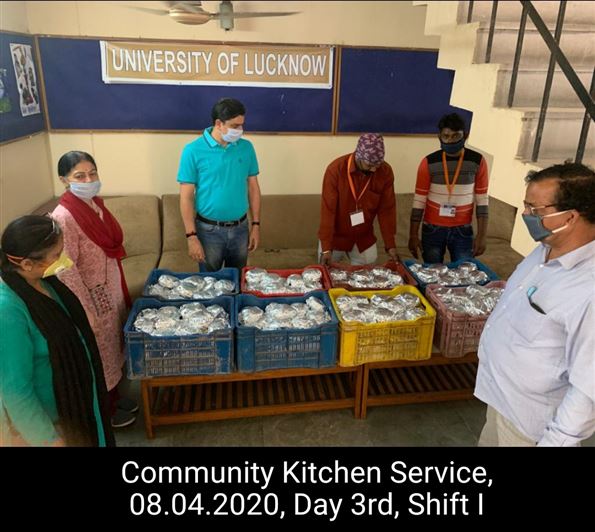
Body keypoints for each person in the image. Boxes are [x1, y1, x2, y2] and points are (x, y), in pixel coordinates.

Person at [475, 162, 595, 446]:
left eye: (534, 210)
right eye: (525, 206)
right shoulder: (545, 249)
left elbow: (587, 389)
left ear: (571, 216)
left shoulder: (587, 290)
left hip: (531, 428)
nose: (526, 215)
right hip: (501, 401)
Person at [0, 215, 115, 446]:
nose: (64, 260)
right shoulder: (8, 310)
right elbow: (15, 389)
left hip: (80, 402)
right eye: (56, 255)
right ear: (26, 263)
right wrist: (48, 439)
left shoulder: (45, 282)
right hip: (54, 421)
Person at [51, 151, 138, 428]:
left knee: (112, 346)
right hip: (89, 295)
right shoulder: (64, 216)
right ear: (64, 180)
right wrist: (84, 308)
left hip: (109, 287)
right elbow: (65, 267)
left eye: (93, 173)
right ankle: (105, 412)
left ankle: (115, 398)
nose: (89, 180)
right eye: (80, 176)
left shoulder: (95, 204)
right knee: (98, 353)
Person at [177, 97, 261, 272]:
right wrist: (191, 237)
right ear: (218, 123)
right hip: (208, 232)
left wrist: (256, 225)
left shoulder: (246, 148)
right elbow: (186, 198)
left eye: (242, 125)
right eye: (234, 126)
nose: (240, 130)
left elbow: (253, 188)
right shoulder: (192, 151)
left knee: (237, 282)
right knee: (210, 287)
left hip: (240, 229)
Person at [408, 112, 489, 263]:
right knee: (432, 276)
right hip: (433, 229)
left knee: (463, 276)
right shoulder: (428, 162)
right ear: (439, 136)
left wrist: (482, 236)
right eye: (446, 136)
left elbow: (482, 200)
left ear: (464, 135)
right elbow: (419, 201)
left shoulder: (478, 161)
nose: (450, 141)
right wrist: (413, 235)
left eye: (455, 136)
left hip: (463, 230)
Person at [318, 133, 398, 266]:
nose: (373, 169)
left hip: (363, 237)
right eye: (369, 164)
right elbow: (328, 211)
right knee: (327, 271)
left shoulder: (385, 172)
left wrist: (391, 245)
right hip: (336, 237)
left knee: (368, 273)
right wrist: (326, 248)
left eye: (377, 165)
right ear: (359, 156)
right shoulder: (335, 170)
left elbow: (387, 211)